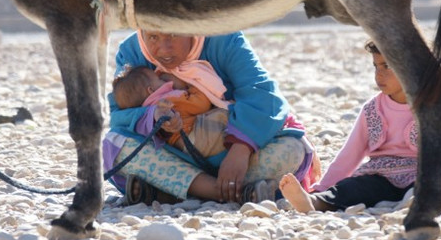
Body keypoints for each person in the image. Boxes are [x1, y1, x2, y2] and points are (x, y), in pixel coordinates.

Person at [103, 31, 318, 205]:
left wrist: (241, 149)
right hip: (176, 156)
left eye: (173, 35)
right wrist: (153, 115)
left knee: (292, 149)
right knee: (115, 146)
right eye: (153, 37)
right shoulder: (131, 51)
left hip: (232, 155)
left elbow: (263, 94)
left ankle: (168, 192)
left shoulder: (223, 37)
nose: (164, 48)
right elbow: (118, 116)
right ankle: (224, 191)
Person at [279, 41, 441, 213]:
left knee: (439, 181)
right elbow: (349, 155)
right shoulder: (372, 110)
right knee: (352, 188)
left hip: (420, 172)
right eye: (376, 66)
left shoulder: (431, 109)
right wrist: (322, 187)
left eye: (387, 66)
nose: (379, 74)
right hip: (380, 175)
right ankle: (314, 202)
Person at [111, 65, 229, 157]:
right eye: (158, 79)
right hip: (197, 139)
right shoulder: (169, 100)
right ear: (151, 90)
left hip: (183, 147)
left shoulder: (149, 111)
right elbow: (201, 105)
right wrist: (193, 85)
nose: (163, 79)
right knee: (227, 113)